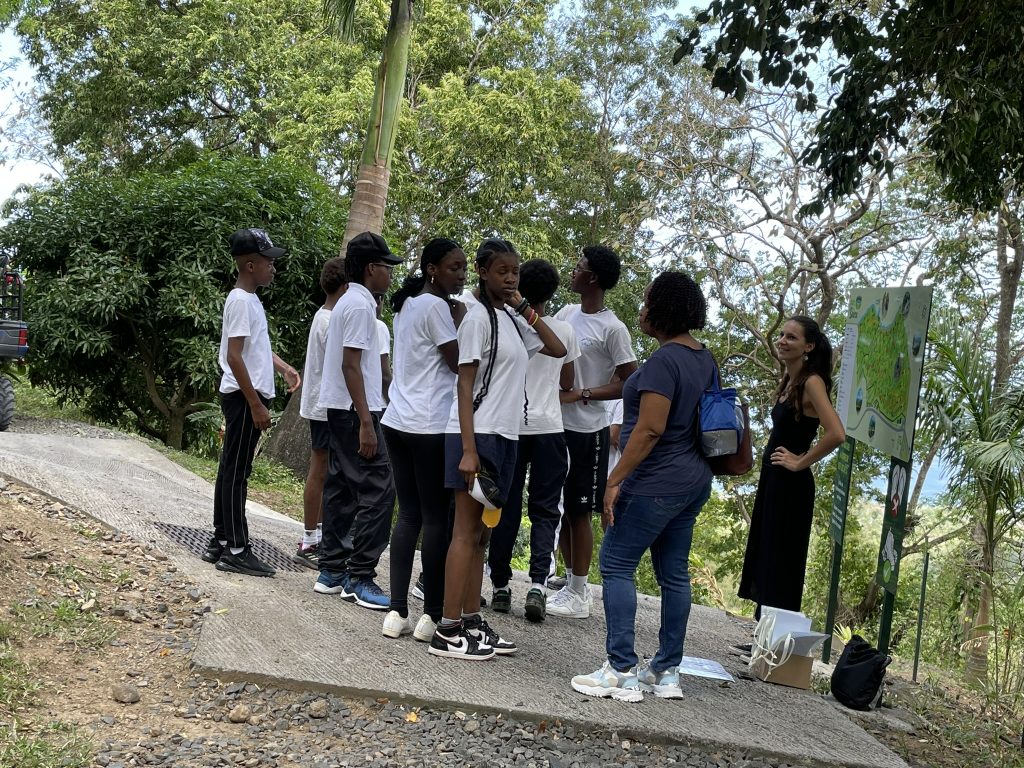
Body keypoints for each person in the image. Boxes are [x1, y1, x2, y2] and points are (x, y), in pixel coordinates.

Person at [570, 271, 714, 702]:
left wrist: (614, 480)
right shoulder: (703, 358)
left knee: (616, 564)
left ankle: (620, 670)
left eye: (648, 301)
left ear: (664, 308)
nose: (642, 309)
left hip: (654, 482)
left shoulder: (665, 363)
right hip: (692, 480)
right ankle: (666, 671)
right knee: (674, 574)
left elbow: (650, 429)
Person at [431, 239, 567, 660]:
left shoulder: (510, 318)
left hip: (506, 436)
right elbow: (464, 383)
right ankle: (447, 629)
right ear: (483, 272)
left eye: (515, 272)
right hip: (479, 435)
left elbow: (557, 348)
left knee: (481, 537)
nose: (510, 278)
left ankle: (472, 620)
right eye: (502, 271)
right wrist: (468, 449)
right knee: (465, 532)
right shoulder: (475, 319)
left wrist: (523, 305)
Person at [380, 238, 468, 643]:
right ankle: (431, 613)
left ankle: (396, 610)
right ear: (432, 269)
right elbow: (458, 363)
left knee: (408, 516)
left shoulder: (408, 305)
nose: (461, 275)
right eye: (454, 267)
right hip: (429, 425)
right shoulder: (437, 308)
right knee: (435, 519)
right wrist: (461, 319)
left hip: (397, 419)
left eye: (464, 268)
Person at [204, 228, 301, 577]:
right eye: (268, 262)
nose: (273, 268)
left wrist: (284, 367)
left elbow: (252, 348)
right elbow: (234, 356)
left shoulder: (248, 299)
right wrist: (256, 404)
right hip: (245, 397)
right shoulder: (242, 301)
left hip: (244, 395)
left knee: (231, 469)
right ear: (249, 265)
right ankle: (237, 549)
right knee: (237, 474)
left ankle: (220, 540)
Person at [487, 259, 579, 622]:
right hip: (549, 428)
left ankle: (500, 586)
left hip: (510, 426)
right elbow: (568, 382)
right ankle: (539, 585)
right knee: (545, 510)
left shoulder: (508, 323)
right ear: (552, 293)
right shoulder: (564, 330)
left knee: (504, 506)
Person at [314, 232, 402, 609]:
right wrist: (367, 421)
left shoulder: (347, 301)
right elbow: (351, 365)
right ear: (370, 268)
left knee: (342, 486)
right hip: (355, 410)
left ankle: (332, 570)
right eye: (386, 267)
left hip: (341, 406)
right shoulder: (361, 306)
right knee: (381, 487)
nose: (390, 274)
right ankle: (360, 575)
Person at [550, 245, 637, 619]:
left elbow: (630, 381)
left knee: (580, 510)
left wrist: (583, 393)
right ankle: (570, 585)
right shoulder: (566, 313)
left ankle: (580, 592)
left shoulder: (613, 328)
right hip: (555, 424)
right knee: (563, 510)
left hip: (589, 429)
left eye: (580, 266)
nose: (573, 271)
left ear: (594, 278)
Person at [738, 315, 845, 619]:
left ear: (808, 346)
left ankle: (775, 637)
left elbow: (836, 433)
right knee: (767, 557)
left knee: (781, 562)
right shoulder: (791, 378)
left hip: (791, 486)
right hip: (774, 481)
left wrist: (800, 461)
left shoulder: (812, 382)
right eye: (782, 335)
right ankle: (763, 633)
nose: (782, 341)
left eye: (791, 337)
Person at [295, 257, 348, 569]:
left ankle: (316, 536)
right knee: (320, 471)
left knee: (324, 470)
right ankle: (310, 538)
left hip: (320, 403)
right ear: (345, 287)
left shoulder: (322, 315)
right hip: (325, 406)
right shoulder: (330, 322)